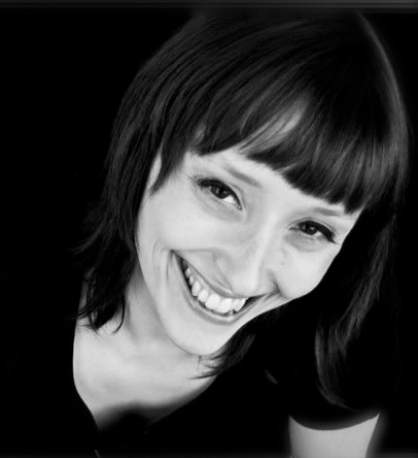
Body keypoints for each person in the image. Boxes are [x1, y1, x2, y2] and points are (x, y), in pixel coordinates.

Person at [1, 7, 409, 458]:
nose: (243, 275)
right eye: (222, 191)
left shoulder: (335, 346)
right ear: (148, 144)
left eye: (311, 228)